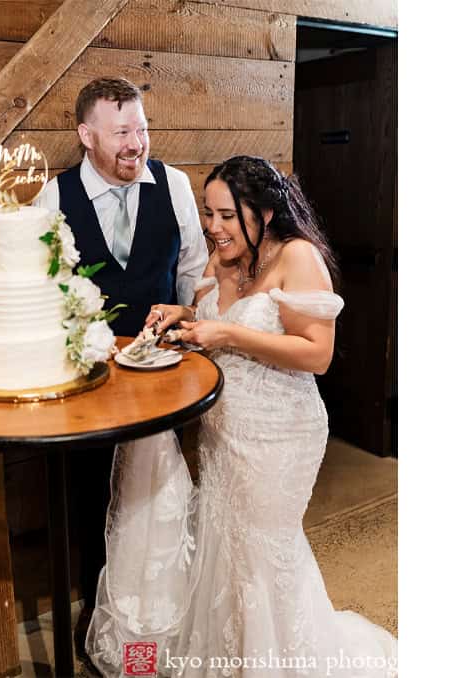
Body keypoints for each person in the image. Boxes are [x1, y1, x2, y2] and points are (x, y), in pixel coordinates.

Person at [86, 156, 397, 676]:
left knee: (262, 555)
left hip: (281, 431)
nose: (214, 227)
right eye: (209, 214)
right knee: (226, 551)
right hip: (224, 432)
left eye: (227, 215)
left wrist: (228, 336)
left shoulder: (297, 258)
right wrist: (180, 314)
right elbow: (213, 317)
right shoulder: (222, 258)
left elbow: (315, 353)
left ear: (266, 213)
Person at [33, 76, 209, 658]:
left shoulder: (176, 186)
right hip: (89, 385)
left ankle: (161, 621)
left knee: (156, 499)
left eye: (142, 128)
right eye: (122, 132)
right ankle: (100, 626)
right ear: (86, 135)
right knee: (92, 499)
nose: (137, 143)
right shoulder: (55, 199)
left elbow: (193, 270)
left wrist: (194, 338)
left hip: (164, 379)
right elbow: (40, 290)